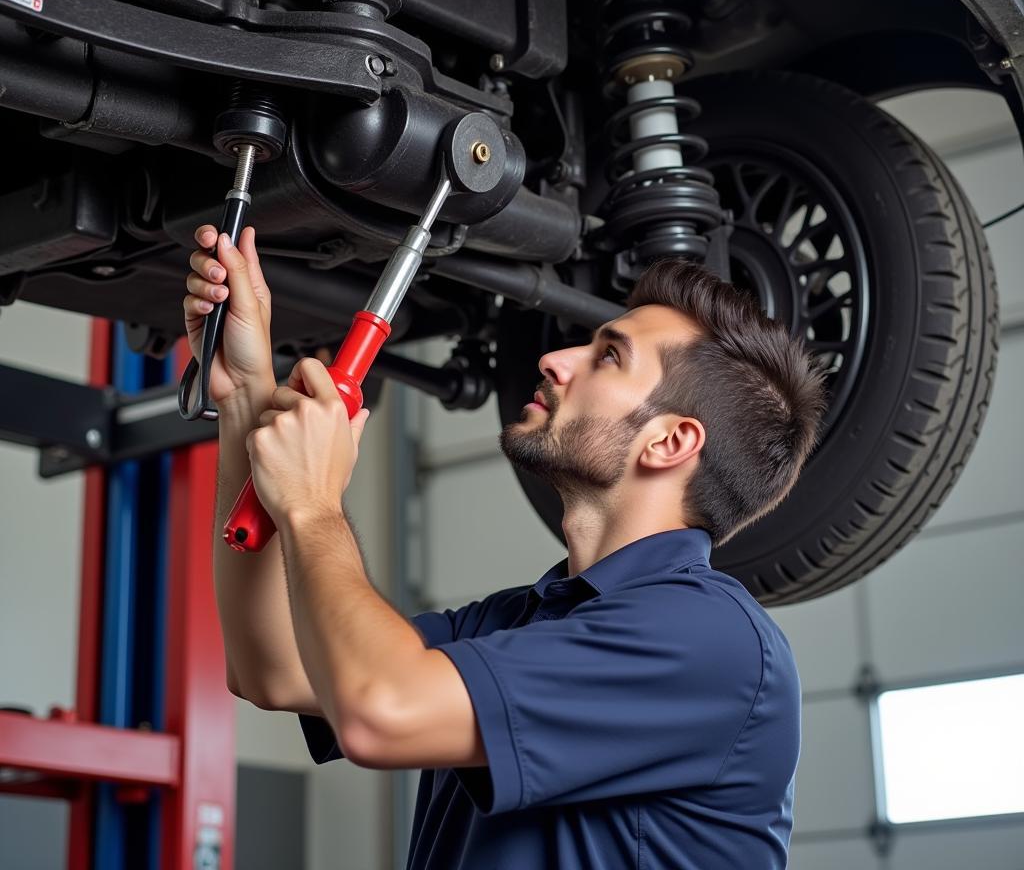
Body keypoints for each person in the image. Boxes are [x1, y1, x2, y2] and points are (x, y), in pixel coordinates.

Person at [183, 221, 827, 870]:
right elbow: (273, 669)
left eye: (608, 356)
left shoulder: (714, 640)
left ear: (669, 443)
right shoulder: (521, 621)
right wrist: (244, 398)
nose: (555, 359)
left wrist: (314, 505)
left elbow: (380, 708)